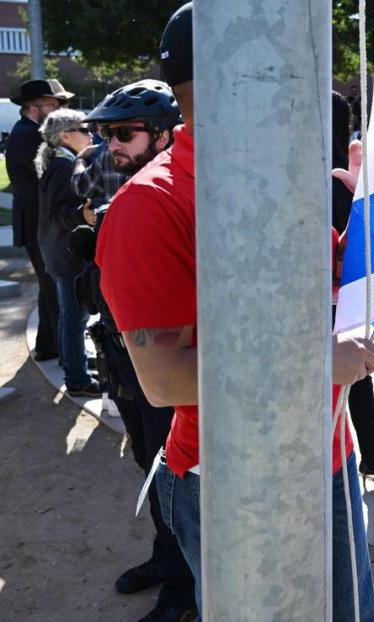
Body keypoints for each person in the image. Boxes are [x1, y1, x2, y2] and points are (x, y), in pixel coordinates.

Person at [95, 5, 374, 620]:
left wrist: (369, 226)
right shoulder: (150, 204)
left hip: (325, 450)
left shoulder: (281, 177)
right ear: (249, 69)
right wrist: (311, 367)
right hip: (235, 480)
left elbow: (327, 291)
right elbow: (165, 378)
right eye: (299, 66)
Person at [74, 80, 198, 622]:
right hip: (124, 359)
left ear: (168, 133)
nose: (110, 145)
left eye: (123, 133)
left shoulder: (174, 192)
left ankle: (182, 585)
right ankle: (165, 557)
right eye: (104, 133)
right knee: (151, 465)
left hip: (174, 368)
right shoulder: (131, 188)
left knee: (173, 471)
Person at [331, 90, 374, 483]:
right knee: (357, 375)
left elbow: (343, 257)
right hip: (345, 300)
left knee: (353, 373)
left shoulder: (341, 179)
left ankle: (367, 454)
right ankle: (371, 454)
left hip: (333, 301)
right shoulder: (349, 177)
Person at [34, 109, 101, 397]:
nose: (90, 134)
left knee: (69, 316)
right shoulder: (63, 167)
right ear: (65, 136)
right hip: (67, 253)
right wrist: (82, 215)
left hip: (59, 251)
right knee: (75, 317)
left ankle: (73, 363)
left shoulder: (63, 162)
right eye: (83, 129)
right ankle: (77, 378)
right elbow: (60, 213)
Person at [6, 79, 73, 361]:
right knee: (55, 289)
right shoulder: (30, 135)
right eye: (53, 105)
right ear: (34, 108)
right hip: (39, 222)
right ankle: (68, 355)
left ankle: (49, 345)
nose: (59, 110)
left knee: (50, 287)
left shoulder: (33, 131)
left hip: (39, 220)